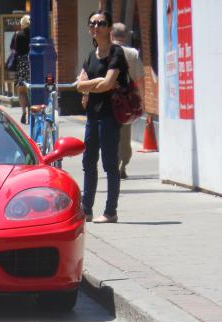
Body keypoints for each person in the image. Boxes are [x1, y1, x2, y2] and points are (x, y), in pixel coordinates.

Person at [76, 10, 128, 224]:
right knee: (88, 162)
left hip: (109, 116)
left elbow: (108, 85)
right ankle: (86, 209)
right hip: (92, 116)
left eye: (101, 23)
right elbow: (79, 85)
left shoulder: (116, 53)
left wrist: (92, 85)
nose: (95, 26)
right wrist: (96, 84)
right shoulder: (91, 55)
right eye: (92, 23)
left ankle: (110, 212)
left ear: (108, 28)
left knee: (109, 163)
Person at [111, 23, 145, 179]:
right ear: (125, 36)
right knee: (125, 133)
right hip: (127, 99)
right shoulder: (132, 53)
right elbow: (139, 78)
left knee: (109, 132)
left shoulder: (106, 51)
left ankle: (112, 162)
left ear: (111, 34)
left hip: (108, 97)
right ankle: (122, 164)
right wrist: (142, 99)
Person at [14, 15, 31, 123]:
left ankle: (23, 111)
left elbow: (16, 50)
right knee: (31, 89)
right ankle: (30, 112)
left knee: (21, 90)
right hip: (31, 64)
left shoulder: (19, 35)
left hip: (21, 64)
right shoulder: (33, 34)